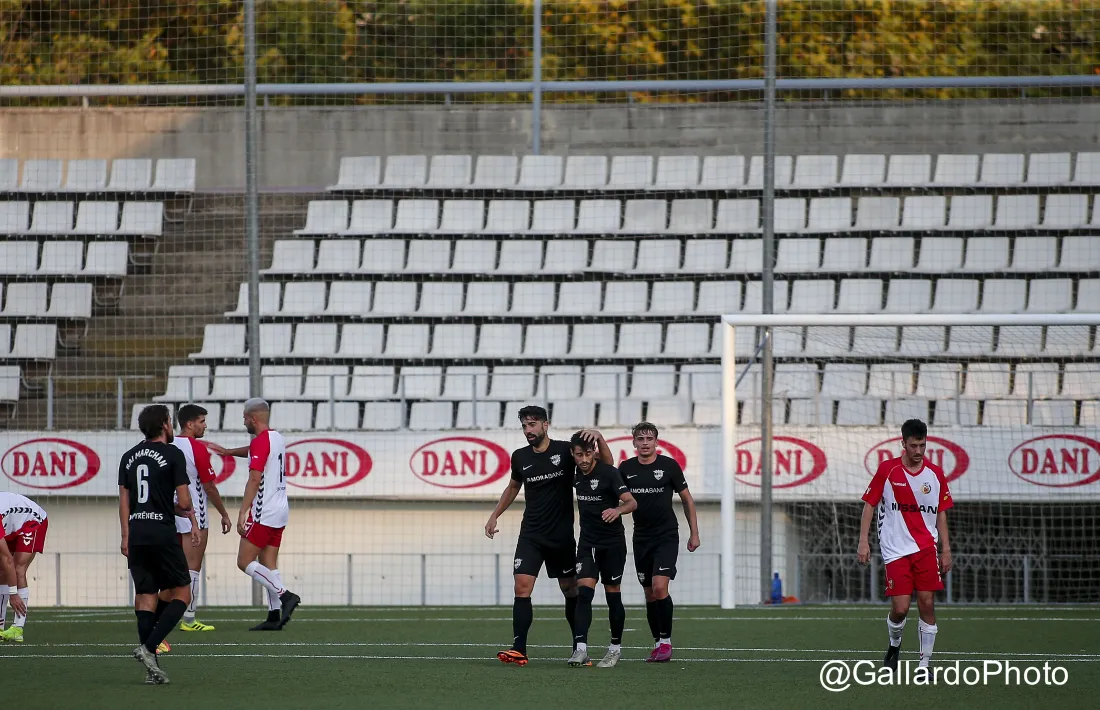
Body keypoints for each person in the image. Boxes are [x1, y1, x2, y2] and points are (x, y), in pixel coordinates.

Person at [484, 405, 612, 666]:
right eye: (524, 426)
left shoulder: (566, 451)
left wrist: (598, 437)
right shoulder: (520, 457)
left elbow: (606, 466)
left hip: (561, 536)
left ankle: (579, 647)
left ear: (545, 425)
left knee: (570, 590)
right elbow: (513, 486)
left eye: (532, 425)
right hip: (531, 534)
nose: (528, 430)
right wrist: (495, 514)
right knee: (521, 586)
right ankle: (519, 649)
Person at [858, 418, 953, 672]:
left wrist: (946, 549)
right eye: (914, 446)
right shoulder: (887, 470)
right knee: (900, 610)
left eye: (923, 445)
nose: (919, 451)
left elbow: (941, 512)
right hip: (895, 549)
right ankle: (894, 643)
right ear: (903, 444)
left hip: (925, 548)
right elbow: (870, 504)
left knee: (927, 603)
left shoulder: (935, 474)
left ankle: (924, 664)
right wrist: (863, 541)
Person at [118, 404, 201, 685]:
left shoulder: (128, 457)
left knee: (145, 595)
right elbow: (185, 501)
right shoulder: (173, 454)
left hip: (137, 532)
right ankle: (149, 647)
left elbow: (125, 501)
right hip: (162, 532)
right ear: (165, 424)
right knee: (182, 593)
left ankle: (151, 670)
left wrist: (125, 536)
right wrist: (185, 512)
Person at [208, 398, 300, 631]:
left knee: (244, 561)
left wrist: (242, 512)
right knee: (267, 562)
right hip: (280, 510)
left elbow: (254, 478)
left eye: (245, 418)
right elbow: (255, 450)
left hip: (264, 512)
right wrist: (229, 452)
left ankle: (285, 595)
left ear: (253, 419)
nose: (243, 422)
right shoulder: (276, 437)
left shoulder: (261, 442)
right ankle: (273, 616)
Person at [619, 422, 700, 663]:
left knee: (659, 587)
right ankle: (657, 642)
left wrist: (694, 533)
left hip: (666, 536)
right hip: (640, 537)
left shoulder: (669, 466)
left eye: (649, 438)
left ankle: (666, 642)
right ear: (634, 442)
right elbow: (618, 498)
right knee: (649, 594)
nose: (645, 443)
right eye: (640, 439)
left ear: (657, 442)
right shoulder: (625, 468)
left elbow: (687, 499)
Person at [567, 431, 636, 669]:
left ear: (594, 452)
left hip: (612, 543)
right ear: (573, 455)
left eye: (588, 454)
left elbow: (631, 502)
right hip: (587, 542)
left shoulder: (609, 472)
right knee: (584, 593)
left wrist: (617, 511)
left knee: (612, 593)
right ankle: (581, 649)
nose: (584, 459)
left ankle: (615, 649)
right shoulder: (575, 473)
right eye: (579, 455)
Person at [172, 404, 232, 632]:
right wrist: (224, 514)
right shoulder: (196, 448)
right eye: (202, 421)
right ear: (190, 424)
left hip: (170, 513)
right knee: (193, 567)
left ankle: (162, 615)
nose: (205, 425)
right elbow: (209, 487)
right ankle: (189, 619)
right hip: (193, 513)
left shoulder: (168, 444)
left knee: (172, 567)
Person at [0, 491, 48, 643]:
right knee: (2, 571)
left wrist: (13, 594)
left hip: (32, 521)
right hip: (12, 524)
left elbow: (7, 559)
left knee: (17, 568)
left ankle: (17, 629)